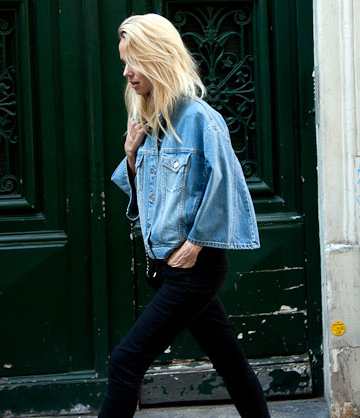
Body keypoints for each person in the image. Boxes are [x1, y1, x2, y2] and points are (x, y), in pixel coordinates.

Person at [98, 13, 271, 418]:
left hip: (193, 270)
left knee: (125, 362)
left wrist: (194, 246)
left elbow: (228, 190)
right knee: (229, 361)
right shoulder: (150, 122)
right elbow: (148, 198)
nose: (126, 72)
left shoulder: (201, 120)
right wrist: (131, 154)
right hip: (165, 268)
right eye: (124, 62)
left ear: (157, 57)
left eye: (132, 61)